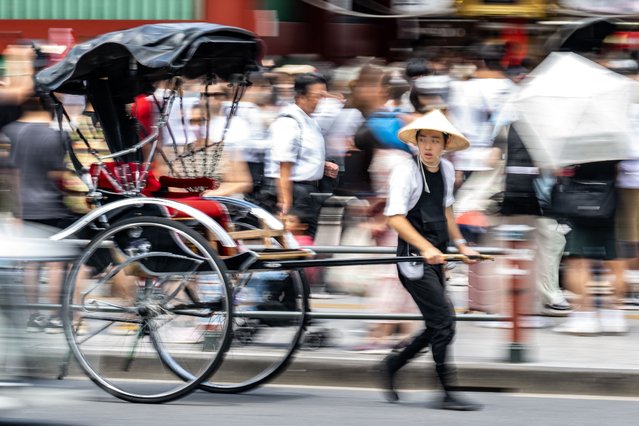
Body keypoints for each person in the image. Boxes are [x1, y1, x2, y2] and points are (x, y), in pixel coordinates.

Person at [380, 109, 482, 411]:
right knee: (444, 322)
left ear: (445, 144)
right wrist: (424, 247)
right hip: (412, 259)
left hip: (437, 257)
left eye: (435, 140)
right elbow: (395, 218)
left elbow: (447, 211)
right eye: (423, 139)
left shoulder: (447, 170)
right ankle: (447, 391)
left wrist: (462, 245)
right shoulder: (406, 171)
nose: (427, 146)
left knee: (441, 323)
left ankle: (393, 364)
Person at [262, 72, 337, 236]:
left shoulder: (310, 120)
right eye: (318, 96)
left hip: (307, 191)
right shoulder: (288, 121)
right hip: (294, 192)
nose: (322, 101)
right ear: (301, 96)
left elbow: (302, 156)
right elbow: (284, 164)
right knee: (298, 241)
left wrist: (320, 165)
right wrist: (285, 203)